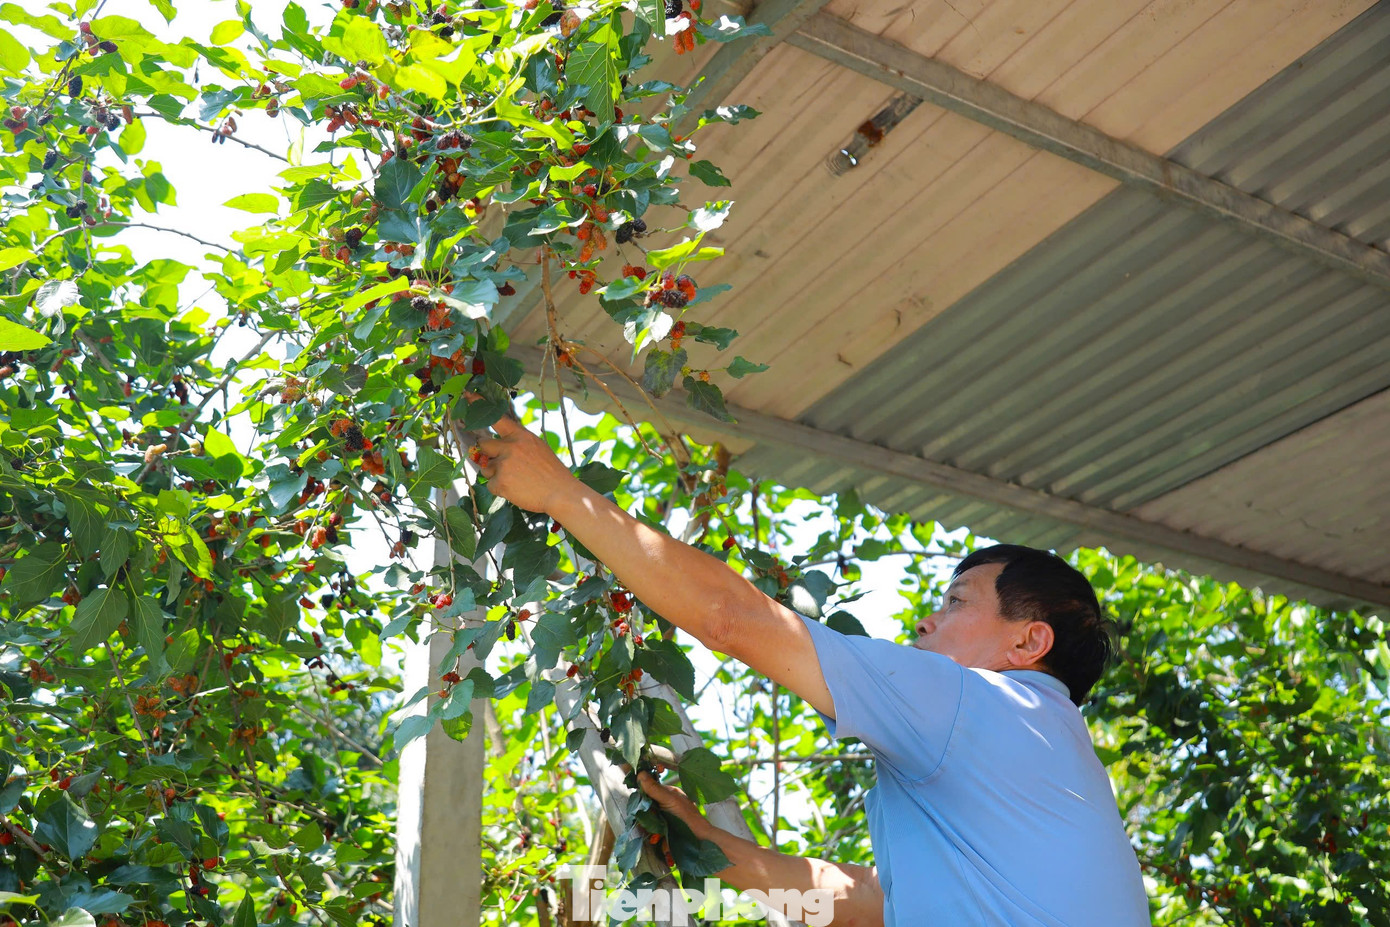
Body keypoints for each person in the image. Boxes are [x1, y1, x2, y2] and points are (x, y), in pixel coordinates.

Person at [475, 414, 1152, 926]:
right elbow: (879, 901)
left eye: (955, 603)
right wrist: (721, 851)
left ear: (1030, 641)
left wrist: (563, 494)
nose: (925, 621)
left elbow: (728, 618)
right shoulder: (1043, 750)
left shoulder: (975, 702)